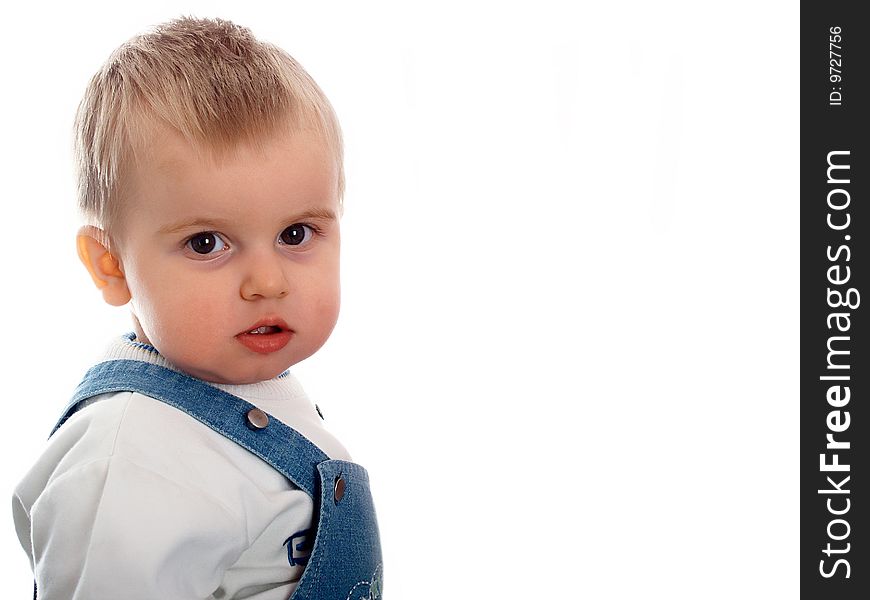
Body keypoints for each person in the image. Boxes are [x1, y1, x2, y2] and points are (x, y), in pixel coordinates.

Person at [12, 17, 382, 600]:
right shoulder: (131, 462)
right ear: (110, 264)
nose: (267, 282)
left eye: (295, 233)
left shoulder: (254, 390)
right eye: (206, 243)